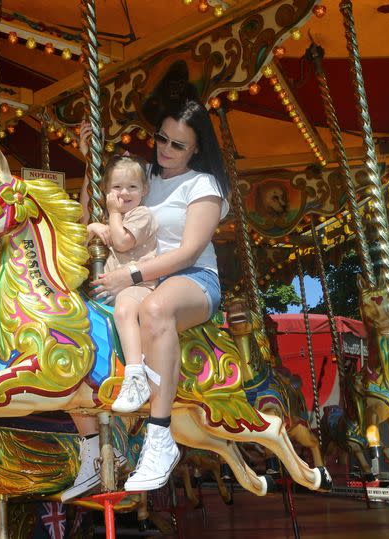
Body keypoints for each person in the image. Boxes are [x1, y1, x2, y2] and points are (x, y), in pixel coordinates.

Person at [78, 99, 230, 492]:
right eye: (162, 139)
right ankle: (94, 443)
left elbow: (188, 251)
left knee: (156, 307)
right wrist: (89, 166)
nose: (166, 149)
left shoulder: (203, 185)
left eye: (178, 145)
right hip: (140, 283)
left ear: (196, 148)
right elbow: (90, 215)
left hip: (191, 279)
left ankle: (160, 437)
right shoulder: (142, 175)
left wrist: (129, 274)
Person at [61, 154, 159, 500]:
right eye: (116, 187)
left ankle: (134, 371)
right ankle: (94, 449)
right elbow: (80, 235)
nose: (124, 192)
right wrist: (92, 226)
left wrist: (112, 216)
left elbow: (122, 243)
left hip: (140, 288)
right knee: (73, 362)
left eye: (132, 186)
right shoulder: (112, 215)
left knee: (122, 312)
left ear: (144, 190)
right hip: (110, 295)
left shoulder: (142, 215)